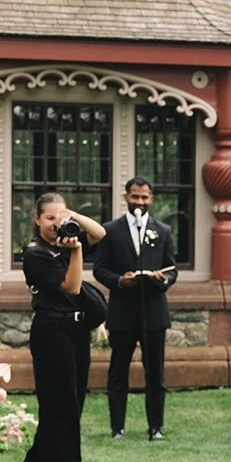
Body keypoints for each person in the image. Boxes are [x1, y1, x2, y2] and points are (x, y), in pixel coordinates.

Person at [20, 193, 106, 462]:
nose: (56, 224)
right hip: (51, 331)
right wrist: (77, 251)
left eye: (60, 217)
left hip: (76, 331)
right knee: (60, 401)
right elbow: (70, 287)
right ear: (37, 219)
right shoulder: (35, 253)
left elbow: (100, 233)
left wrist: (74, 218)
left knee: (74, 397)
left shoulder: (68, 237)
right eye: (49, 218)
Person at [92, 178, 178, 441]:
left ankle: (156, 427)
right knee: (118, 371)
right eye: (135, 197)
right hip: (122, 311)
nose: (139, 202)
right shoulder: (111, 230)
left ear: (151, 199)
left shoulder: (161, 230)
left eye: (144, 198)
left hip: (153, 311)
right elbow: (99, 269)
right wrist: (120, 280)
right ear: (126, 197)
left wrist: (162, 279)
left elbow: (172, 269)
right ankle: (117, 427)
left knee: (155, 373)